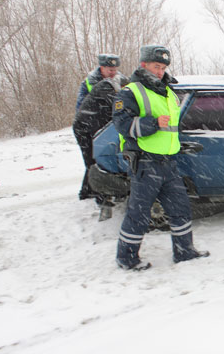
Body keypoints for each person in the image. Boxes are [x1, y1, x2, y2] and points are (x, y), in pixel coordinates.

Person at [112, 45, 209, 270]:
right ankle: (126, 258)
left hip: (169, 163)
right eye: (157, 66)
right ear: (143, 64)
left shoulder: (168, 92)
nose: (160, 71)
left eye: (163, 67)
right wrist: (153, 124)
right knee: (139, 214)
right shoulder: (130, 92)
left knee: (181, 209)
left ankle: (184, 252)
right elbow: (122, 124)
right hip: (146, 163)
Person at [73, 55, 129, 221]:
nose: (113, 72)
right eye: (109, 70)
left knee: (101, 159)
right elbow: (82, 106)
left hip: (103, 126)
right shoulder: (91, 82)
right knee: (92, 160)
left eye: (115, 69)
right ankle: (99, 197)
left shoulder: (118, 79)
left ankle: (89, 191)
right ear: (101, 68)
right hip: (86, 127)